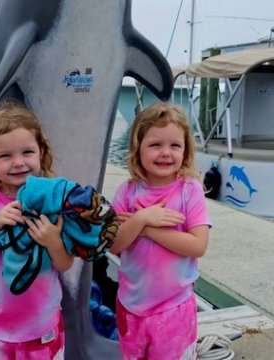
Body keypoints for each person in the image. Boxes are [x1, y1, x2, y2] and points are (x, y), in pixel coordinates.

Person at [0, 102, 73, 360]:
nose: (18, 162)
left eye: (27, 152)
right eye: (5, 155)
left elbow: (65, 264)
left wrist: (52, 240)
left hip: (43, 327)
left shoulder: (53, 199)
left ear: (41, 152)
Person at [110, 102, 211, 360]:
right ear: (138, 149)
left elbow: (197, 245)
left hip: (174, 307)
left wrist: (145, 229)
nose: (165, 153)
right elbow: (114, 245)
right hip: (130, 305)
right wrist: (143, 217)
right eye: (155, 145)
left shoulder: (190, 190)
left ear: (185, 150)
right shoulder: (127, 192)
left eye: (174, 145)